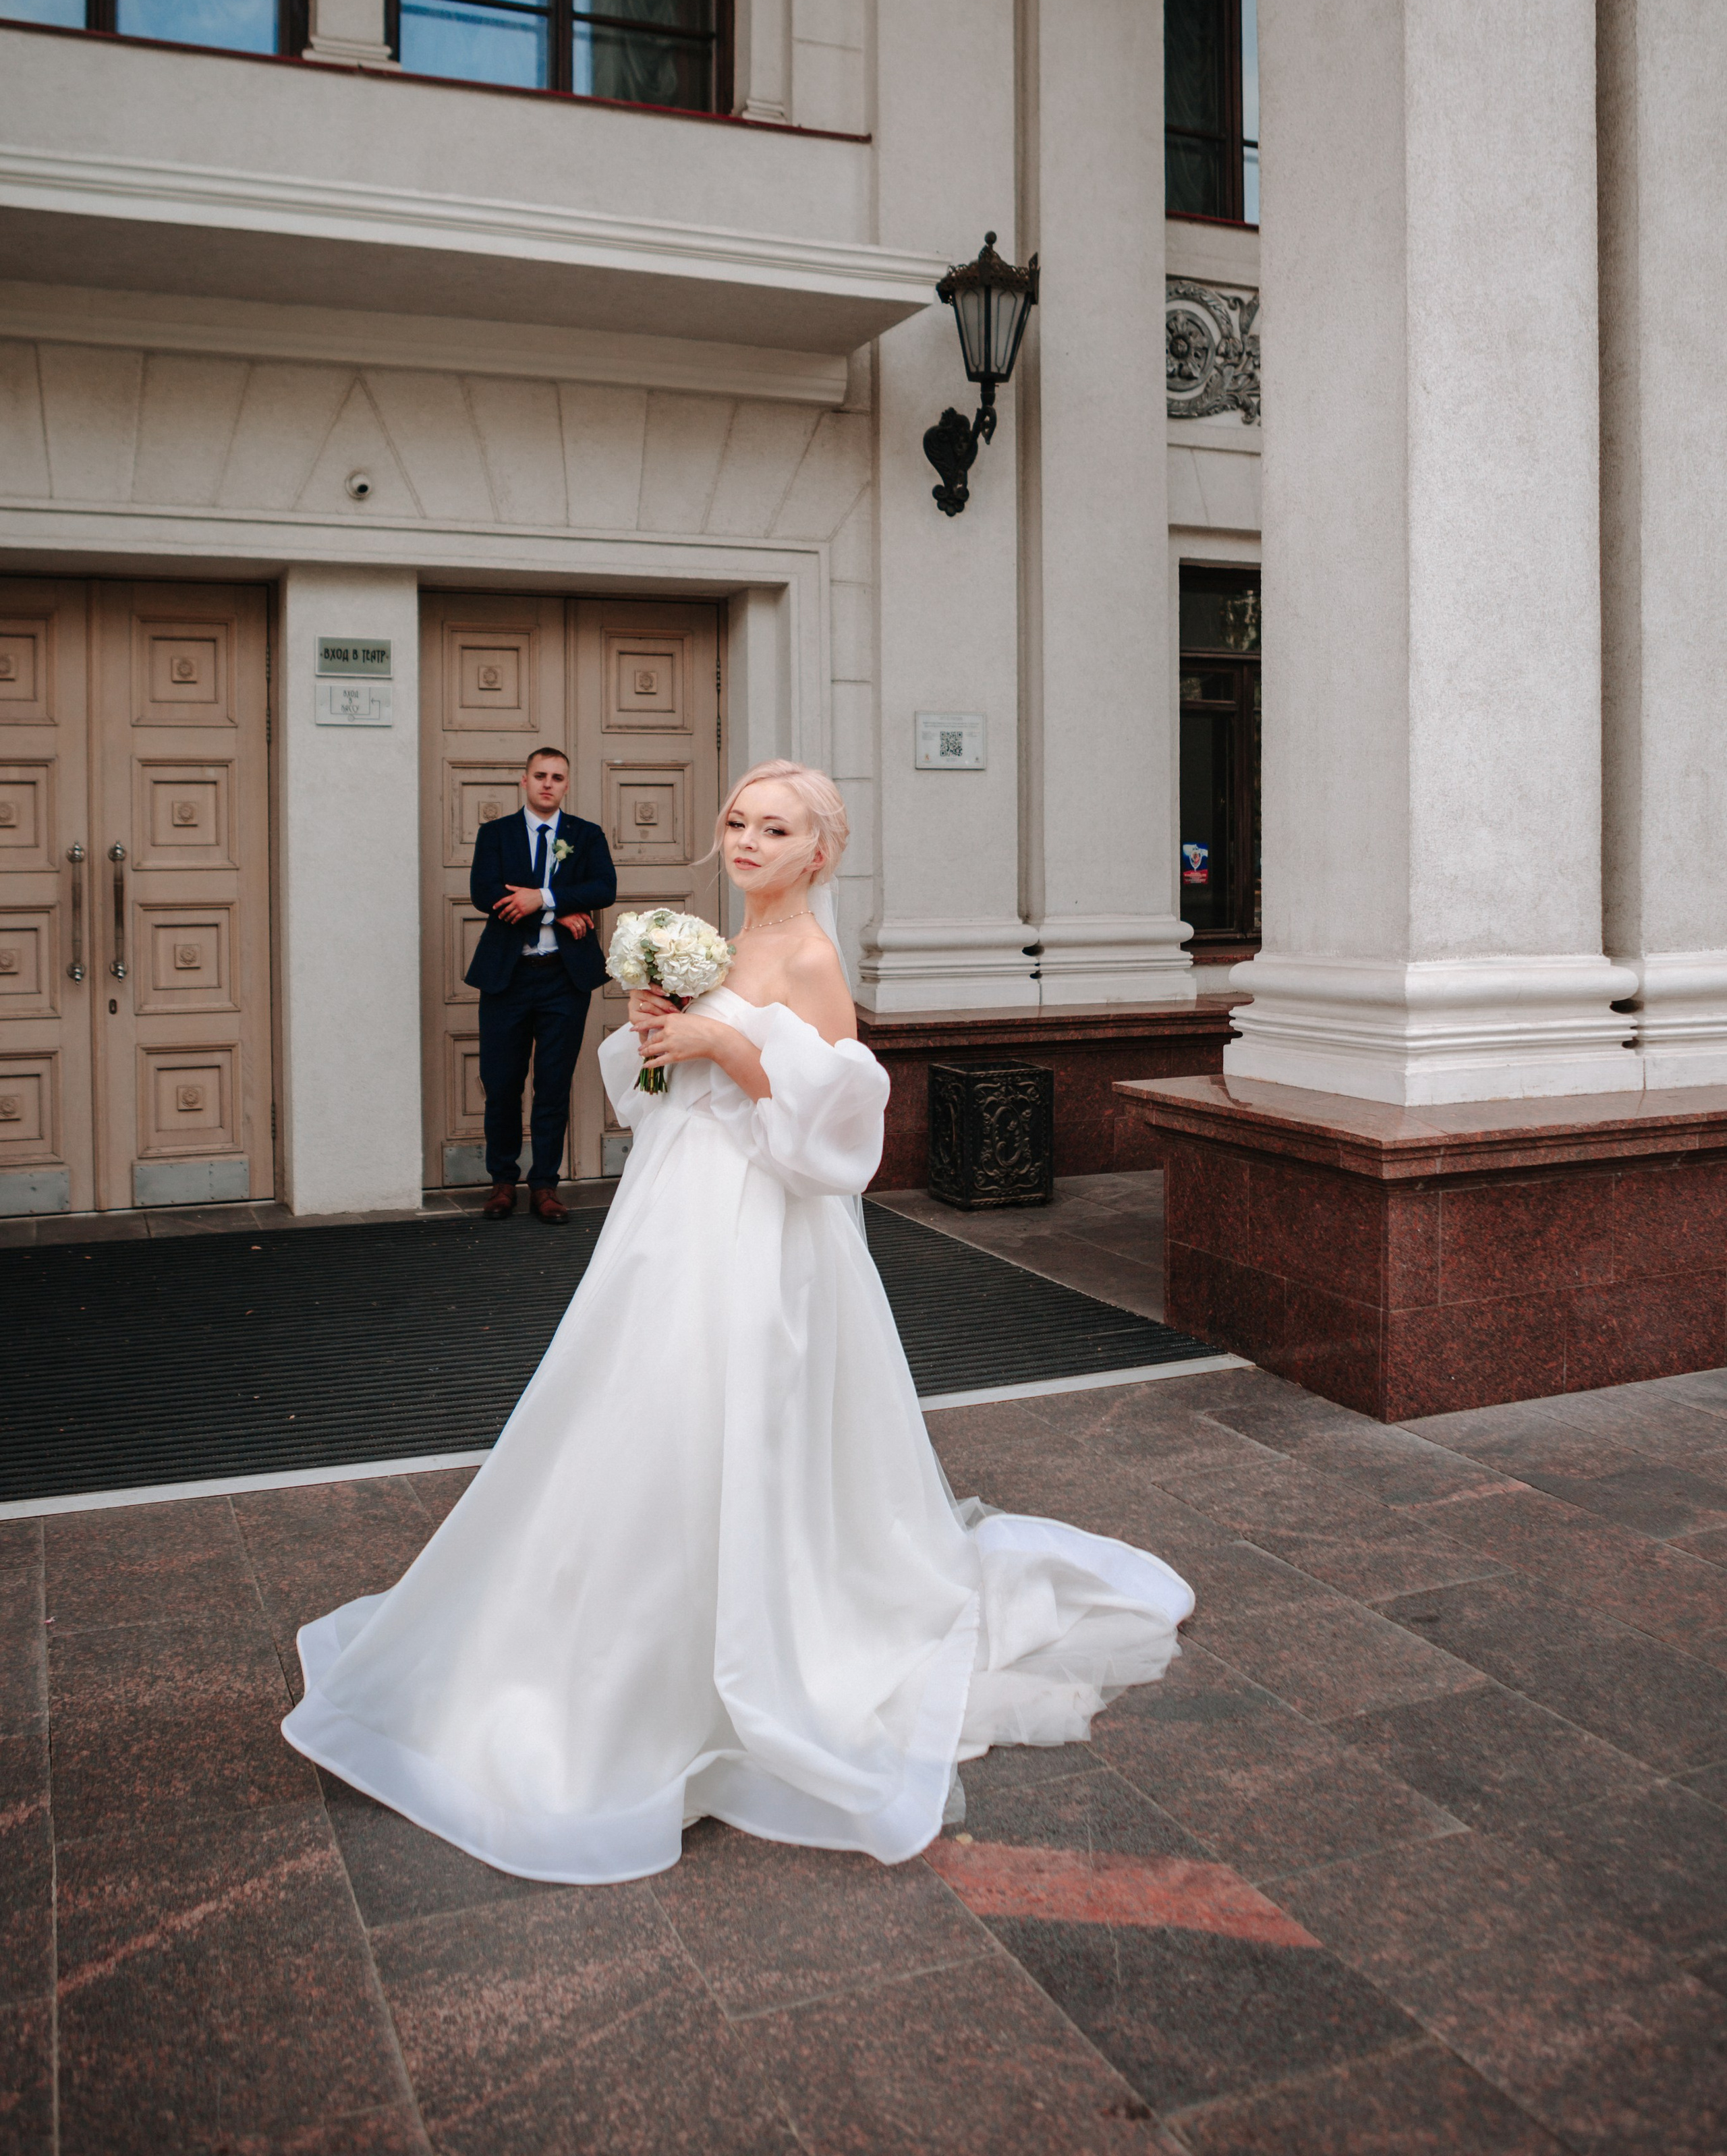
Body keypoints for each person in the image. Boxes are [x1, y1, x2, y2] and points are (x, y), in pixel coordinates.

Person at [283, 759, 1192, 1882]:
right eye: (739, 822)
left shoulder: (811, 959)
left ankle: (739, 1651)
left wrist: (728, 1045)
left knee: (731, 1409)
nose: (750, 840)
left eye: (777, 828)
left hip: (764, 1228)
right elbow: (652, 1090)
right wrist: (655, 1025)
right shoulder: (710, 943)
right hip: (672, 1210)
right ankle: (611, 1636)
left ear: (821, 853)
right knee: (633, 1407)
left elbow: (841, 1124)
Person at [465, 746, 616, 1225]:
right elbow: (484, 891)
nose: (548, 784)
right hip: (507, 978)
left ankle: (545, 1186)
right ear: (523, 781)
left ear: (567, 785)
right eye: (540, 776)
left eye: (557, 777)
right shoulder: (496, 834)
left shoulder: (586, 836)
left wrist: (544, 898)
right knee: (503, 1083)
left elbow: (604, 888)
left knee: (553, 1085)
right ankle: (503, 1182)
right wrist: (559, 909)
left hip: (563, 979)